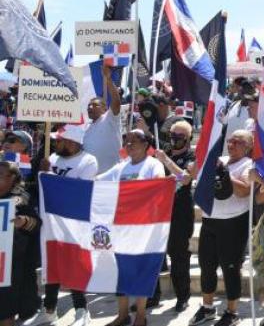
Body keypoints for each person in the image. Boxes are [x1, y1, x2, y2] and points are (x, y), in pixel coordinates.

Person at [190, 130, 264, 326]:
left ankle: (232, 311)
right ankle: (207, 307)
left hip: (233, 222)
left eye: (238, 142)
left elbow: (244, 191)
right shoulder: (221, 160)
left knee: (230, 267)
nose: (232, 144)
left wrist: (224, 173)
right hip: (210, 219)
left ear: (248, 146)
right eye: (230, 141)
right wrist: (202, 166)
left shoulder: (249, 165)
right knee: (207, 265)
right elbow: (194, 174)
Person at [29, 124, 97, 326]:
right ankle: (49, 310)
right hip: (51, 222)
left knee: (74, 265)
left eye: (59, 140)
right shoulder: (52, 159)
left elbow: (78, 191)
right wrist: (40, 172)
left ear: (72, 142)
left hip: (75, 223)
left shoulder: (88, 161)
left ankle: (82, 310)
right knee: (52, 264)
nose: (55, 143)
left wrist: (49, 176)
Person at [98, 129, 166, 326]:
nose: (129, 144)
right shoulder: (121, 167)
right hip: (121, 228)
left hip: (144, 228)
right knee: (120, 271)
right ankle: (122, 314)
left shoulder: (154, 165)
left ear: (146, 144)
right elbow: (97, 180)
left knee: (140, 271)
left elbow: (158, 188)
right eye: (127, 141)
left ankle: (141, 316)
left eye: (135, 141)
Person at [151, 121, 198, 312]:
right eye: (172, 136)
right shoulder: (164, 153)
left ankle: (182, 296)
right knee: (153, 255)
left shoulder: (191, 156)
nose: (174, 140)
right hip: (158, 210)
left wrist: (166, 161)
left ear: (187, 139)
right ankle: (152, 296)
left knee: (179, 255)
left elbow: (186, 178)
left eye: (179, 137)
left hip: (180, 211)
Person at [0, 160, 42, 326]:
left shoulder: (20, 200)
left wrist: (23, 221)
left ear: (13, 179)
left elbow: (37, 224)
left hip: (12, 266)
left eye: (1, 175)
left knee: (5, 312)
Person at [83, 63, 122, 173]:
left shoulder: (110, 119)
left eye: (95, 105)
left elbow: (116, 102)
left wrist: (108, 79)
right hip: (91, 177)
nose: (90, 107)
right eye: (89, 105)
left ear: (105, 109)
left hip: (110, 177)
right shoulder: (86, 127)